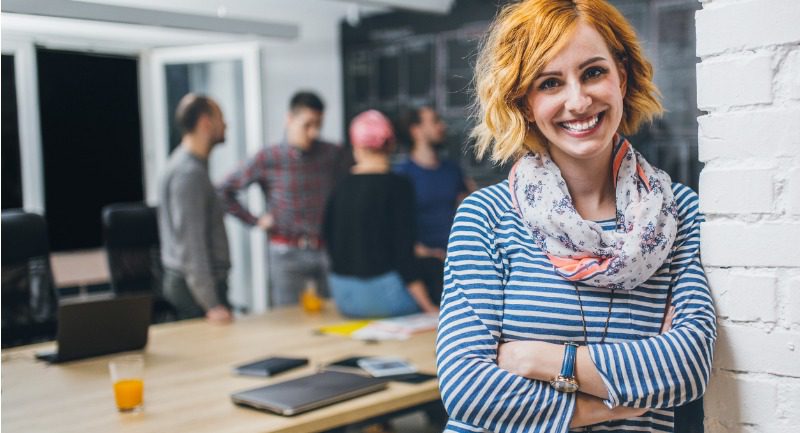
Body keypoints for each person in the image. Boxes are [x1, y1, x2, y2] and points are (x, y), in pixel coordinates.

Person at [435, 1, 716, 432]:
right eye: (549, 83)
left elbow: (689, 366)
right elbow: (466, 390)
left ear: (621, 76)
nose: (578, 100)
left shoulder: (678, 215)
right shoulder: (486, 217)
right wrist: (623, 403)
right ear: (525, 103)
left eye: (593, 72)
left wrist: (541, 359)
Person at [218, 91, 342, 307]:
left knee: (334, 315)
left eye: (319, 125)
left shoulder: (331, 153)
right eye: (307, 125)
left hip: (326, 250)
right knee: (289, 319)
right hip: (287, 253)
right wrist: (255, 220)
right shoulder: (269, 157)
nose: (313, 132)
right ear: (289, 119)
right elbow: (224, 190)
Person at [323, 110, 439, 318]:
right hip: (386, 299)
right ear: (391, 144)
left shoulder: (338, 187)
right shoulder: (399, 186)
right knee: (437, 267)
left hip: (344, 298)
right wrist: (429, 308)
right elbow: (403, 254)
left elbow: (329, 242)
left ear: (356, 147)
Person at [158, 93, 233, 324]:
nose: (226, 124)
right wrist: (211, 303)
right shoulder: (188, 173)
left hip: (196, 287)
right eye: (221, 117)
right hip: (195, 292)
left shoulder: (191, 166)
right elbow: (191, 245)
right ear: (205, 122)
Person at [395, 106, 473, 308]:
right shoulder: (401, 175)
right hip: (423, 263)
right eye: (435, 121)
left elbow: (473, 210)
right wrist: (428, 253)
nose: (442, 126)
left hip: (457, 260)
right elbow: (395, 230)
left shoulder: (452, 170)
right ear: (416, 130)